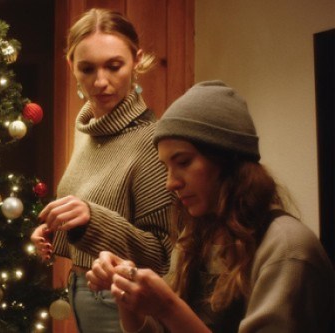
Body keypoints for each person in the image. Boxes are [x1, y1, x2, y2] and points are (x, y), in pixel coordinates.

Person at [86, 80, 335, 332]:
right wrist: (125, 293)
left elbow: (172, 317)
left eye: (183, 162)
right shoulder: (195, 238)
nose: (170, 183)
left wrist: (168, 308)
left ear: (227, 160)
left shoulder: (287, 249)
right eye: (166, 168)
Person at [29, 8, 174, 333]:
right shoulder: (87, 132)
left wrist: (93, 218)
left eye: (114, 66)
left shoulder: (152, 139)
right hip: (80, 289)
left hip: (125, 300)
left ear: (136, 61)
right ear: (71, 67)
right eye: (87, 68)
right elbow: (90, 220)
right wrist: (55, 234)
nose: (100, 82)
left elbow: (162, 254)